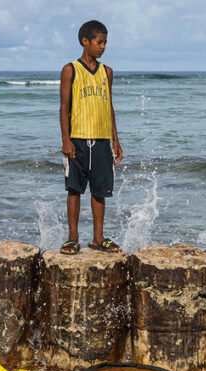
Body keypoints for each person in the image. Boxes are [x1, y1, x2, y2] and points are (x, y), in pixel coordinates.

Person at [59, 20, 123, 255]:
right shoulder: (70, 70)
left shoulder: (107, 72)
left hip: (103, 140)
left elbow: (110, 107)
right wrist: (66, 140)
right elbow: (64, 107)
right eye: (100, 42)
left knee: (100, 190)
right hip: (77, 139)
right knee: (74, 188)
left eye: (106, 42)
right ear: (85, 42)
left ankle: (98, 238)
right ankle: (72, 238)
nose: (103, 47)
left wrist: (115, 139)